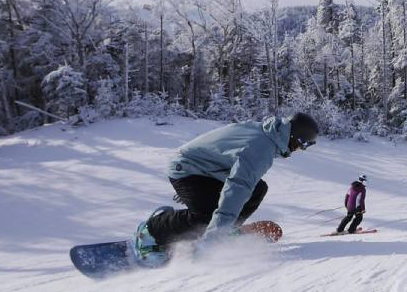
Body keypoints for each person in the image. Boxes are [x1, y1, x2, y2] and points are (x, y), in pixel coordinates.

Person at [132, 112, 320, 265]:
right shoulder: (262, 147)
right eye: (300, 145)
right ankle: (151, 231)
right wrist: (212, 241)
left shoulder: (267, 133)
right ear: (293, 136)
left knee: (257, 189)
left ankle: (224, 231)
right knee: (206, 216)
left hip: (207, 170)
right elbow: (237, 188)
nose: (297, 150)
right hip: (187, 167)